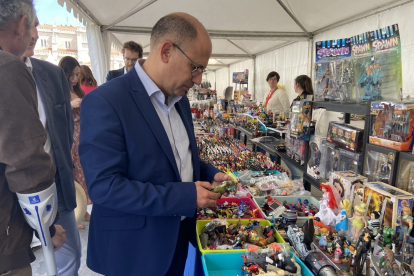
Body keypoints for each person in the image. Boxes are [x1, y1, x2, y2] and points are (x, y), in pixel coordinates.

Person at [79, 13, 231, 275]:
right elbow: (105, 187)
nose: (198, 80)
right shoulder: (107, 101)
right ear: (167, 51)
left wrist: (208, 173)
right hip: (134, 252)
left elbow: (177, 155)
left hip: (175, 243)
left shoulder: (179, 99)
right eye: (195, 67)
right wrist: (185, 195)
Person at [0, 1, 66, 275]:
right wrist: (47, 226)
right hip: (6, 234)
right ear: (21, 24)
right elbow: (25, 158)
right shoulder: (8, 69)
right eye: (35, 25)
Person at [21, 16, 81, 275]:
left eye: (37, 25)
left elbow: (65, 130)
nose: (35, 33)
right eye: (29, 25)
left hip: (56, 186)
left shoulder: (52, 73)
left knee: (69, 258)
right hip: (11, 192)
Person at [59, 56, 90, 231]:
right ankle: (75, 213)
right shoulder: (58, 91)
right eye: (72, 74)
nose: (75, 78)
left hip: (82, 135)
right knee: (71, 175)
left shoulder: (78, 91)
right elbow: (54, 114)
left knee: (82, 173)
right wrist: (70, 105)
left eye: (77, 75)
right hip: (68, 136)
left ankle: (84, 208)